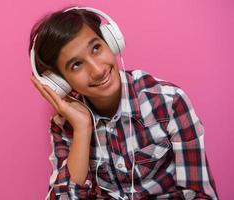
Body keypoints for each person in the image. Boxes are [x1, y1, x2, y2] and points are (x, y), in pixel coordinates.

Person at [28, 6, 218, 200]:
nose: (97, 70)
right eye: (76, 65)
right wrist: (82, 130)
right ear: (61, 83)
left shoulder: (169, 102)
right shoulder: (64, 125)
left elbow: (201, 195)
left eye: (96, 48)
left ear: (111, 42)